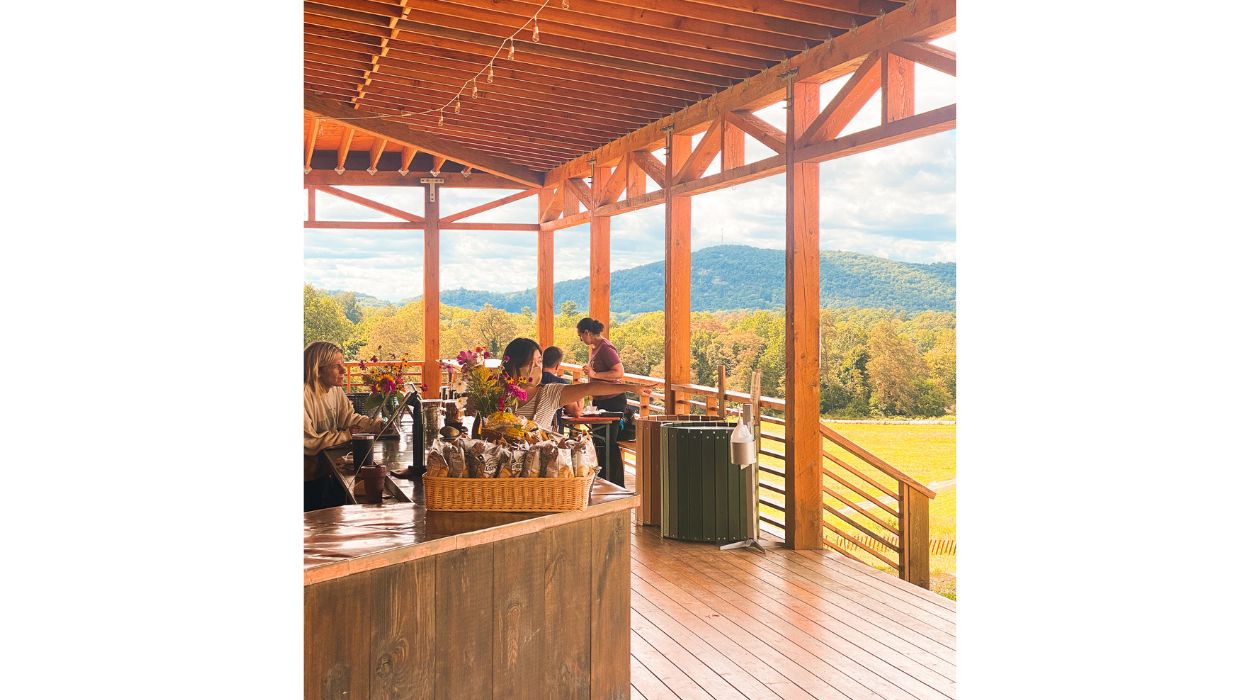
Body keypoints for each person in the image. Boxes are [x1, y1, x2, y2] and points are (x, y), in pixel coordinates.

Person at [303, 341, 390, 511]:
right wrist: (348, 435)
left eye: (343, 364)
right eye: (337, 366)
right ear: (318, 370)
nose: (344, 370)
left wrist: (376, 425)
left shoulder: (334, 389)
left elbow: (349, 418)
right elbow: (308, 443)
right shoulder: (303, 394)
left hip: (326, 471)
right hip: (306, 479)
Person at [500, 338, 630, 437]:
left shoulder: (549, 392)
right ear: (513, 365)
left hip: (537, 467)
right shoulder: (493, 395)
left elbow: (590, 388)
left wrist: (631, 388)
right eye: (530, 363)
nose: (536, 367)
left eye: (539, 361)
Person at [577, 317, 628, 482]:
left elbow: (619, 372)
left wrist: (595, 375)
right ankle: (603, 478)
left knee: (609, 444)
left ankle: (615, 481)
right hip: (601, 400)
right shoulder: (595, 348)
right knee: (600, 442)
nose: (580, 339)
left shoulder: (606, 348)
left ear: (588, 333)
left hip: (612, 401)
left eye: (581, 336)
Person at [541, 345, 582, 426]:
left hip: (531, 428)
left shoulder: (532, 380)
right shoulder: (560, 384)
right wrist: (581, 393)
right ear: (557, 365)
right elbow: (576, 412)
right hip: (552, 432)